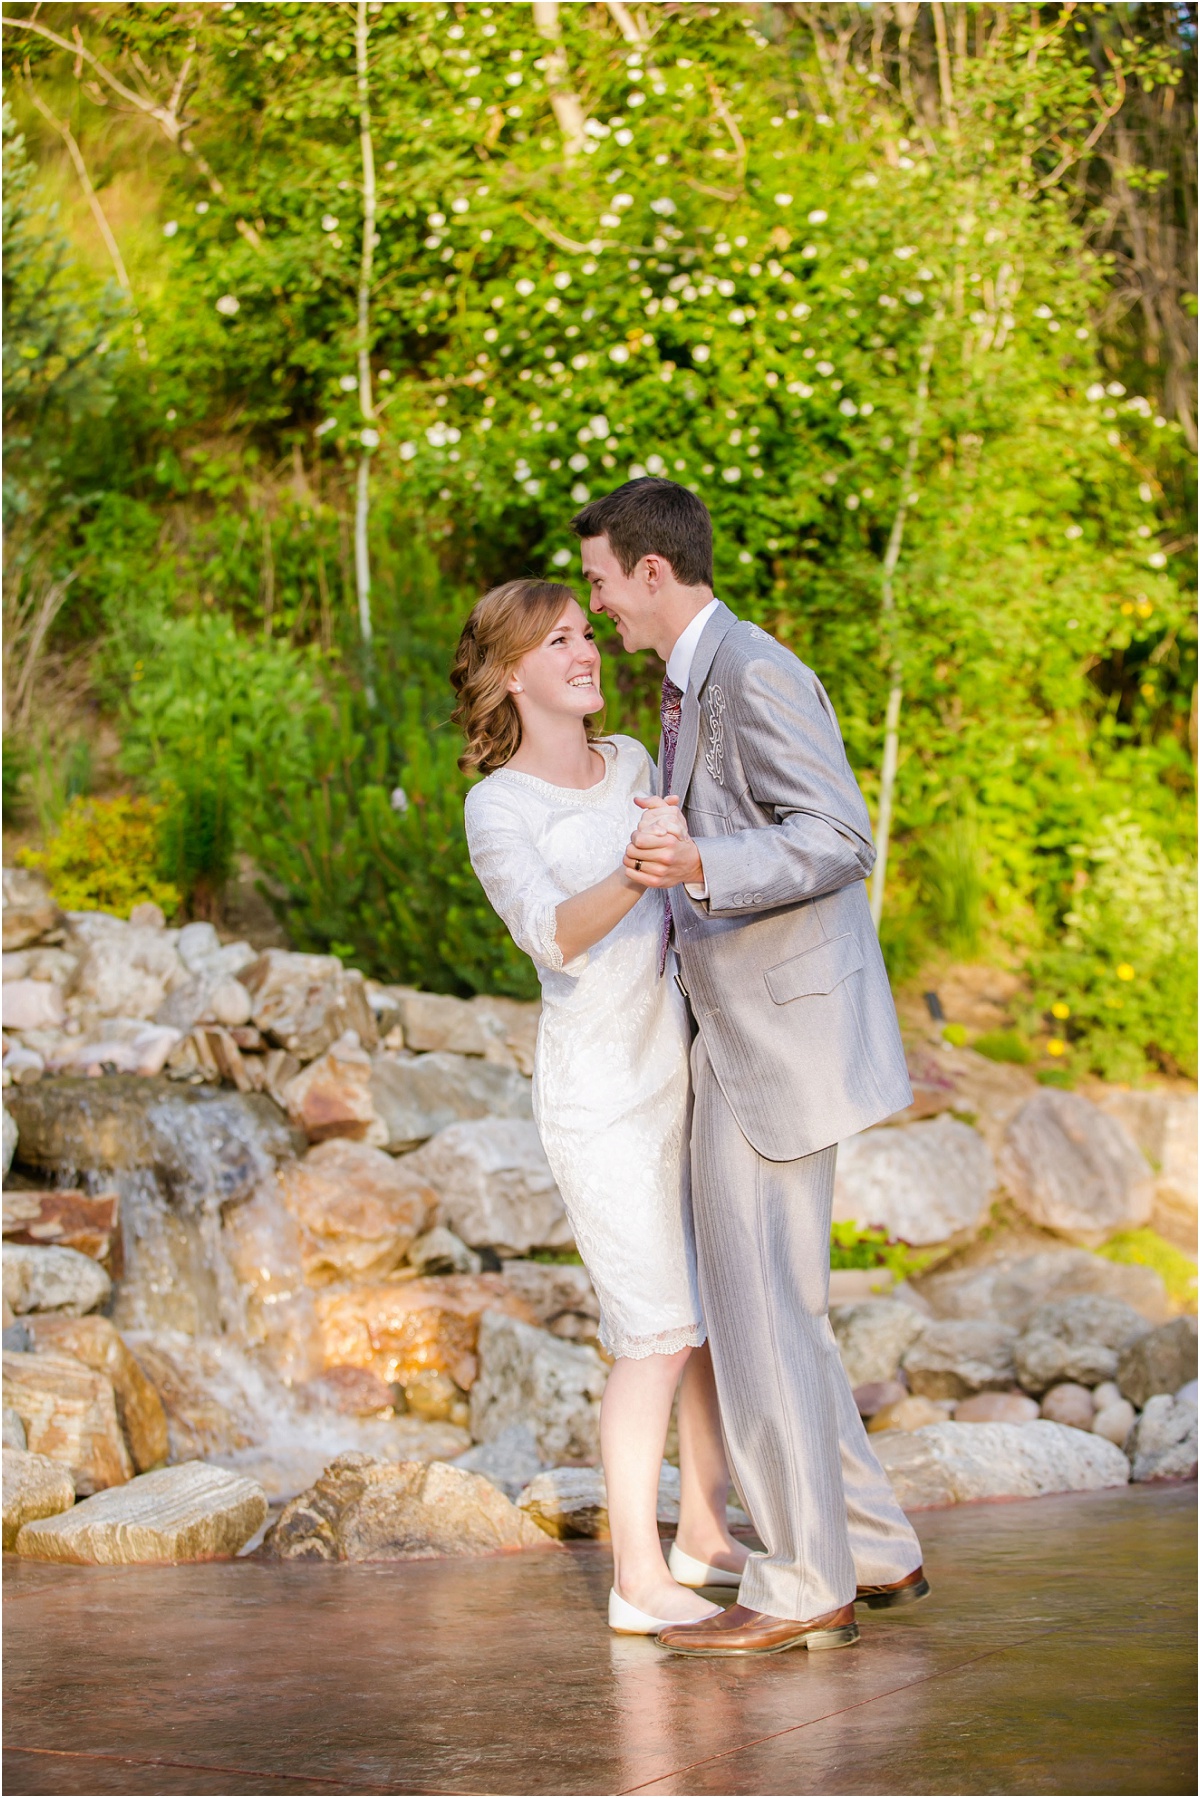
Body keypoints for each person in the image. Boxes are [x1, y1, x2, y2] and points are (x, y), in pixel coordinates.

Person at [569, 477, 929, 1658]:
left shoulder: (754, 669)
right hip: (737, 1031)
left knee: (763, 1312)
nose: (599, 604)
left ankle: (800, 1579)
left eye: (603, 581)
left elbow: (837, 836)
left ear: (654, 573)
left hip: (773, 1038)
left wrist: (699, 864)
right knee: (777, 1309)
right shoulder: (690, 683)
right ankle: (871, 1545)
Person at [451, 577, 748, 1637]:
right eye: (557, 640)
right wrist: (638, 867)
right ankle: (635, 1576)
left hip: (682, 1073)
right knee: (654, 1332)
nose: (585, 650)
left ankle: (705, 1534)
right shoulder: (499, 806)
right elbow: (552, 932)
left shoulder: (631, 761)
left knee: (705, 1321)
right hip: (598, 1097)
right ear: (511, 671)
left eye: (586, 631)